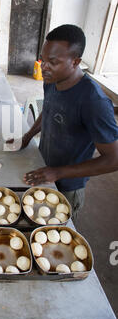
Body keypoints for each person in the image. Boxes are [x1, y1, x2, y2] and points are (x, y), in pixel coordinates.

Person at [18, 24, 118, 220]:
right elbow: (48, 110)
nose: (43, 67)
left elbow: (114, 159)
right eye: (43, 59)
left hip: (68, 185)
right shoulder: (51, 81)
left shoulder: (93, 102)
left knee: (57, 230)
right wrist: (28, 135)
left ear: (75, 61)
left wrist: (58, 172)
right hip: (45, 167)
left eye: (52, 62)